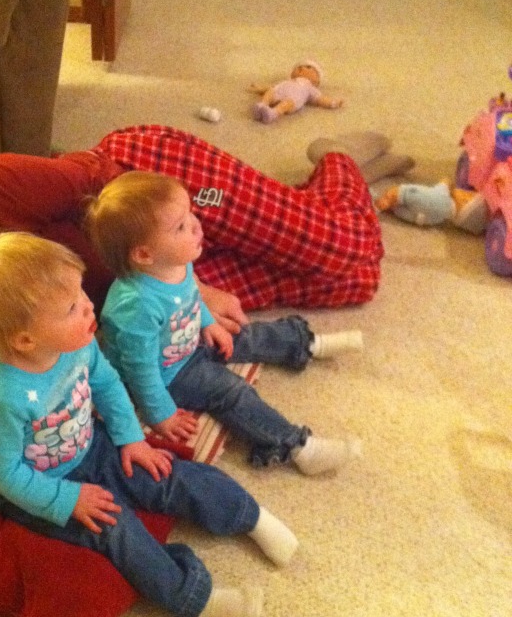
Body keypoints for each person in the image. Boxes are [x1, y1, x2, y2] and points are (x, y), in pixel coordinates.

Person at [0, 124, 389, 505]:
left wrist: (186, 285)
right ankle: (334, 192)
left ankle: (337, 161)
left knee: (341, 250)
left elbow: (100, 177)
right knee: (349, 282)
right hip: (136, 301)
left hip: (156, 192)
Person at [0, 231, 300, 617]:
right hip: (35, 484)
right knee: (115, 527)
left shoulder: (77, 344)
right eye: (71, 307)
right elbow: (2, 472)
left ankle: (249, 516)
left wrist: (132, 438)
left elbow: (107, 384)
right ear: (25, 339)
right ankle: (194, 600)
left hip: (88, 445)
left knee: (164, 472)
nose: (88, 307)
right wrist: (66, 499)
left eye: (83, 294)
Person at [85, 171, 362, 471]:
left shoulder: (174, 263)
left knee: (248, 334)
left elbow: (192, 297)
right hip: (170, 373)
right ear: (144, 254)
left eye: (190, 214)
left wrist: (209, 323)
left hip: (190, 340)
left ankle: (306, 343)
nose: (195, 226)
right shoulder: (135, 307)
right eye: (180, 227)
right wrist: (161, 414)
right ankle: (296, 446)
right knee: (232, 392)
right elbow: (141, 371)